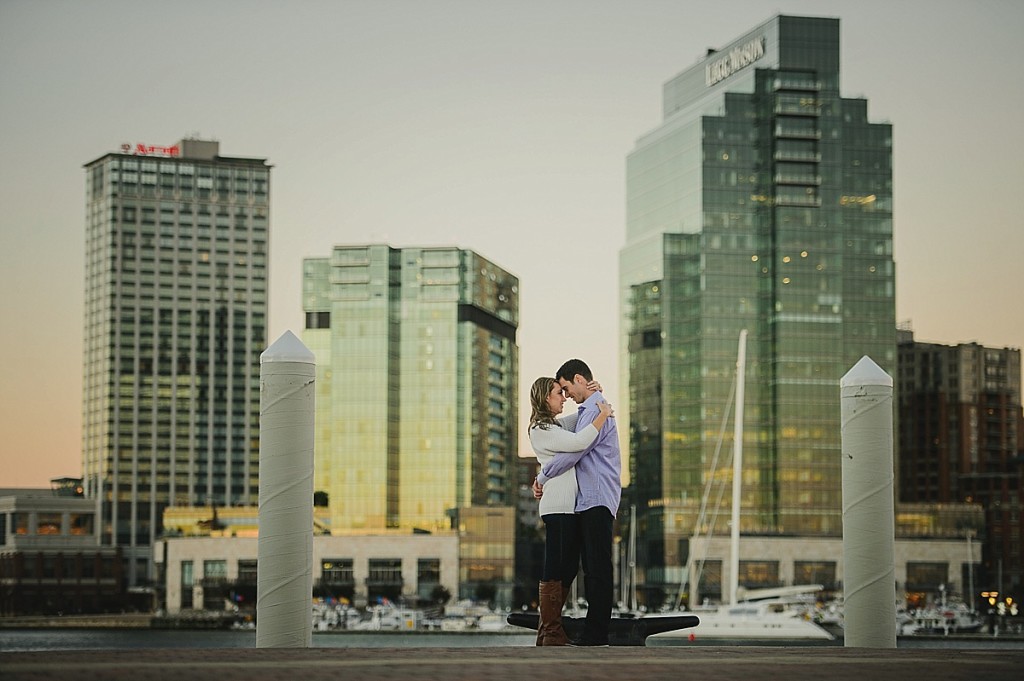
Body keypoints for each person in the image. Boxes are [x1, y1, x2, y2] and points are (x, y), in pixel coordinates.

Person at [533, 359, 621, 646]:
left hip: (596, 498)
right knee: (582, 567)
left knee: (596, 568)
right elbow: (570, 435)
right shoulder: (588, 411)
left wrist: (542, 476)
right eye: (561, 392)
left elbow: (575, 450)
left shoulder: (597, 409)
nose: (566, 395)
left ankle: (594, 635)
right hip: (582, 502)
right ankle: (553, 629)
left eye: (567, 388)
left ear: (580, 379)